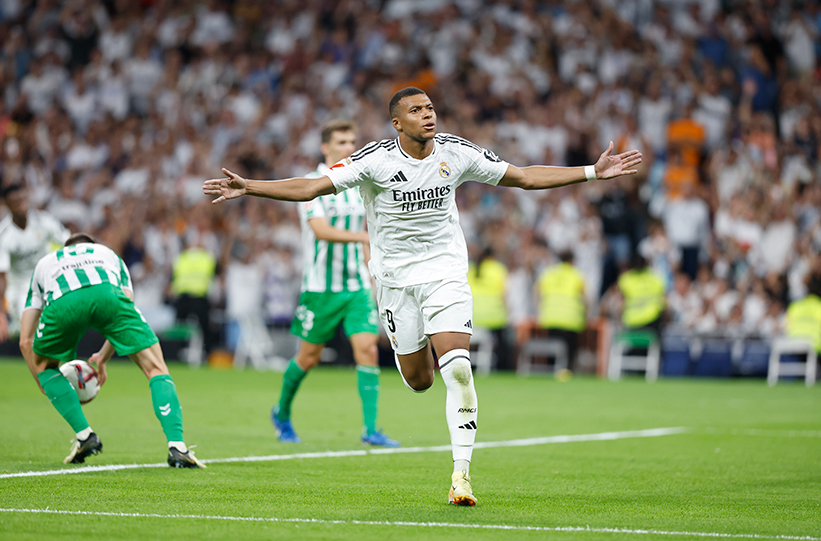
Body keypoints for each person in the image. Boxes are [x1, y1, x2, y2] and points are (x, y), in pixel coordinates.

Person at [204, 87, 641, 506]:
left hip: (445, 274)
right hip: (396, 283)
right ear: (397, 123)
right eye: (416, 110)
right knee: (419, 380)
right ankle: (415, 362)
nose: (427, 114)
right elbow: (310, 188)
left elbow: (524, 177)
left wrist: (591, 171)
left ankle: (461, 475)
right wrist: (250, 186)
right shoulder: (374, 160)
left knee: (459, 370)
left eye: (429, 107)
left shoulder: (456, 151)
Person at [19, 233, 205, 468]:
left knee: (44, 366)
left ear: (65, 249)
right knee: (156, 368)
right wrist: (104, 357)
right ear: (91, 247)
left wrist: (46, 382)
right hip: (107, 294)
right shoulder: (108, 255)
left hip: (63, 301)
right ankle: (177, 447)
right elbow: (124, 311)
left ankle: (84, 435)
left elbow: (25, 341)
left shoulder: (46, 263)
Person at [271, 119, 399, 447]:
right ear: (325, 147)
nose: (349, 148)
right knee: (308, 357)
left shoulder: (358, 183)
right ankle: (281, 412)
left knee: (368, 349)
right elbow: (321, 230)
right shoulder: (313, 184)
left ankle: (371, 429)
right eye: (341, 142)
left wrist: (374, 271)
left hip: (356, 286)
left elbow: (369, 229)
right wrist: (363, 238)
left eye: (352, 142)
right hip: (320, 288)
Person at [0, 183, 70, 341]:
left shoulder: (44, 221)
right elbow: (1, 276)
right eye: (16, 202)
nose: (21, 204)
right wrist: (1, 313)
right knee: (35, 329)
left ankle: (16, 329)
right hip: (20, 291)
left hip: (47, 282)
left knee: (54, 326)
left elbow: (69, 242)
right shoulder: (4, 235)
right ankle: (17, 327)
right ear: (7, 205)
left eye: (23, 199)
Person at [536, 251, 587, 371]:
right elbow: (585, 299)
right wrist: (585, 315)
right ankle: (567, 371)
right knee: (569, 350)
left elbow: (537, 294)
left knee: (553, 349)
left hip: (551, 317)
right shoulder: (576, 274)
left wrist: (542, 310)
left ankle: (551, 371)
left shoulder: (549, 273)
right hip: (571, 318)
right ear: (572, 260)